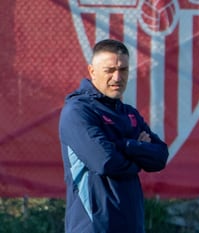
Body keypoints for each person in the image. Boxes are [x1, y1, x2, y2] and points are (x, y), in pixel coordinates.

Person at [59, 39, 169, 233]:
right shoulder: (77, 111)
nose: (117, 77)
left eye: (123, 70)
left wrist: (127, 146)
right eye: (109, 70)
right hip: (93, 226)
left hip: (132, 225)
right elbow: (105, 161)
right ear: (92, 71)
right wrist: (137, 154)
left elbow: (160, 157)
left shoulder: (129, 113)